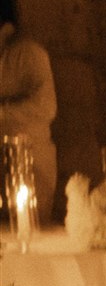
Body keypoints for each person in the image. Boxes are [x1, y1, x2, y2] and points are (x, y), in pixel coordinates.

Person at [0, 19, 58, 222]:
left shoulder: (27, 54)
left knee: (32, 229)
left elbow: (46, 107)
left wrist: (4, 110)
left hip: (32, 162)